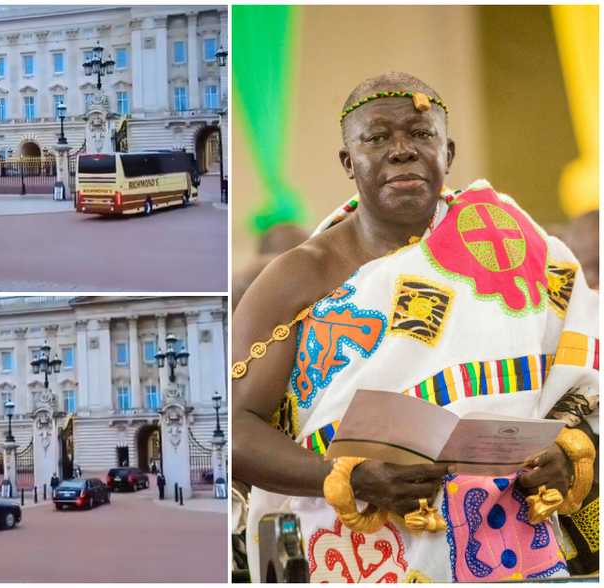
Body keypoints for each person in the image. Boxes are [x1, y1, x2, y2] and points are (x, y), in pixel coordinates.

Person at [231, 72, 598, 583]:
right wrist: (351, 478)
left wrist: (574, 453)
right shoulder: (299, 275)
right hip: (359, 559)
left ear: (447, 152)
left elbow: (591, 386)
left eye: (420, 134)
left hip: (516, 553)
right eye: (377, 137)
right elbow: (231, 428)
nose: (401, 150)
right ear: (347, 161)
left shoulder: (522, 250)